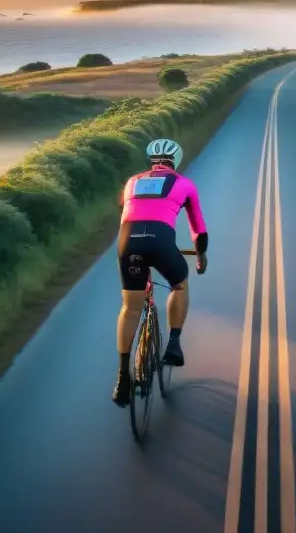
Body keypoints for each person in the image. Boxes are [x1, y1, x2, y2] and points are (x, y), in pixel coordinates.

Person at [112, 138, 208, 407]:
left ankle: (122, 378)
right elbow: (198, 229)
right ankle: (174, 343)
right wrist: (200, 256)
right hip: (161, 242)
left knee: (130, 308)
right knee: (180, 284)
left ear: (151, 160)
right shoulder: (184, 184)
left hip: (128, 242)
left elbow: (126, 211)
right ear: (175, 160)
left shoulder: (132, 181)